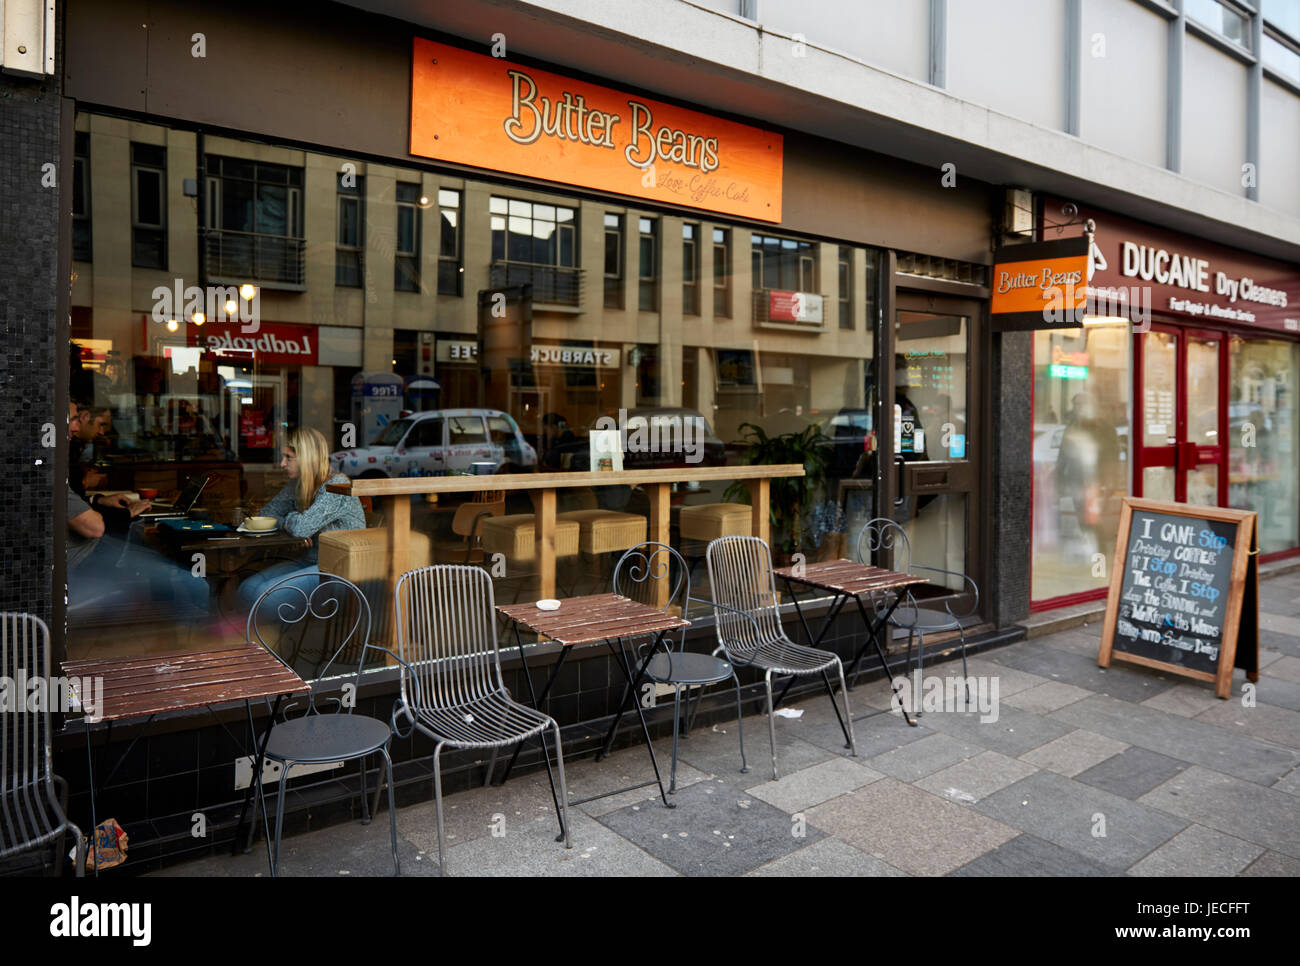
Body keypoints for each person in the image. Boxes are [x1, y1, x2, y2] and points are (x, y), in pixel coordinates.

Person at [236, 427, 365, 612]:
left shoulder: (337, 485)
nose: (282, 463)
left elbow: (301, 528)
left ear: (307, 458)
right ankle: (260, 639)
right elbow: (266, 514)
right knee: (246, 590)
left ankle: (271, 639)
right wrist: (294, 523)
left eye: (288, 458)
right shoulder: (297, 485)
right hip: (310, 561)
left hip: (338, 571)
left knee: (262, 598)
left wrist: (294, 521)